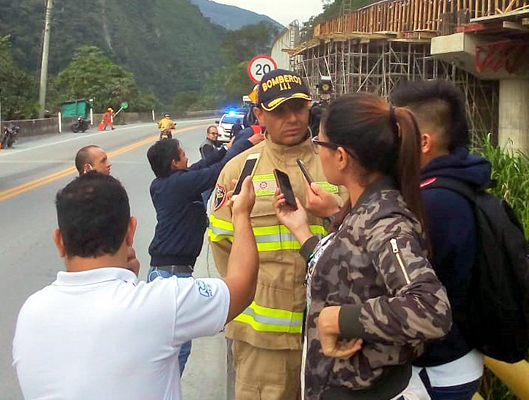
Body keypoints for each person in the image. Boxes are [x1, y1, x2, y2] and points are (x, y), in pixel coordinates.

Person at [12, 172, 260, 400]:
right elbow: (243, 285)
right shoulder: (163, 303)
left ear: (59, 241)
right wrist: (240, 214)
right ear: (130, 231)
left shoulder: (30, 312)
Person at [273, 93, 452, 400]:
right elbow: (350, 272)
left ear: (341, 157)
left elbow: (431, 309)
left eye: (321, 143)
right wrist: (302, 230)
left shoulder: (385, 220)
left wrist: (335, 319)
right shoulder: (362, 207)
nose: (318, 150)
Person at [209, 68, 347, 400]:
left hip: (329, 331)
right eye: (279, 111)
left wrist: (334, 214)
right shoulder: (239, 171)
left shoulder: (337, 164)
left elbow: (361, 240)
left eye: (298, 108)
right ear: (260, 116)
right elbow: (222, 243)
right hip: (261, 342)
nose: (293, 119)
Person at [391, 80, 491, 400]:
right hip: (452, 360)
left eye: (395, 131)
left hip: (437, 370)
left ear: (422, 142)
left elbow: (414, 294)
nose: (387, 141)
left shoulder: (436, 202)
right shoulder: (457, 181)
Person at [146, 132, 263, 376]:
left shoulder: (166, 183)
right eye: (182, 154)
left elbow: (201, 166)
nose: (187, 157)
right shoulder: (179, 184)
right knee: (178, 350)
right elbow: (215, 171)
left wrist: (226, 148)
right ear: (174, 163)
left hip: (168, 272)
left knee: (176, 347)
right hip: (171, 276)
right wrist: (244, 144)